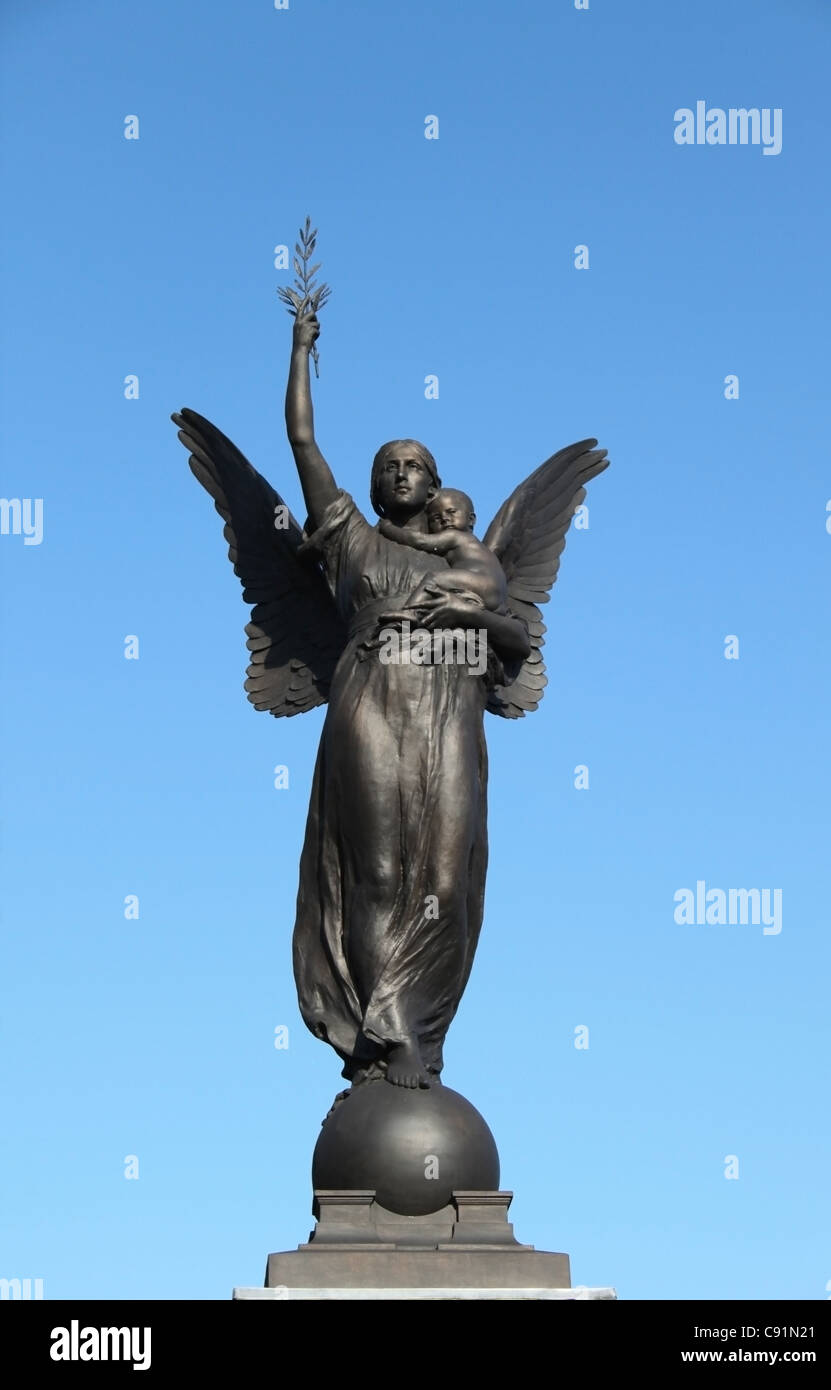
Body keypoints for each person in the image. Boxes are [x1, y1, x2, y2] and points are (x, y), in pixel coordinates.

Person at [286, 311, 530, 1089]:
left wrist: (475, 617)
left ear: (435, 484)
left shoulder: (471, 556)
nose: (399, 471)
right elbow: (301, 442)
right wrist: (300, 350)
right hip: (369, 702)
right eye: (388, 463)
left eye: (414, 463)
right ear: (369, 486)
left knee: (447, 881)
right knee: (380, 873)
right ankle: (378, 1044)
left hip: (449, 708)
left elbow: (518, 648)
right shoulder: (353, 540)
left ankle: (423, 1033)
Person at [377, 488, 508, 614]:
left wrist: (388, 528)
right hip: (498, 599)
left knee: (433, 579)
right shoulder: (479, 547)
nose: (444, 518)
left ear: (471, 519)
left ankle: (410, 612)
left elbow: (419, 541)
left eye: (451, 512)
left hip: (482, 584)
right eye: (436, 518)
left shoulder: (455, 536)